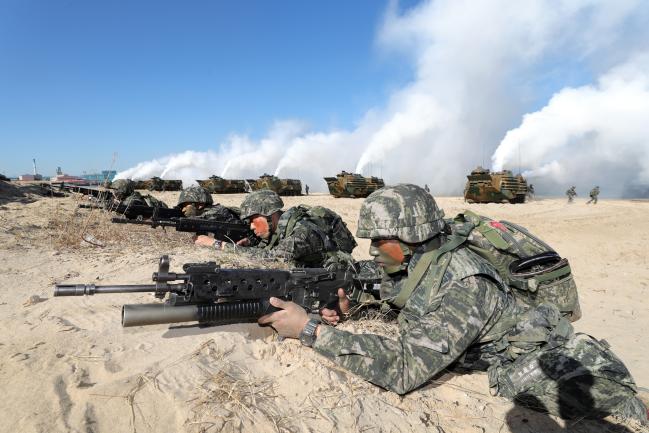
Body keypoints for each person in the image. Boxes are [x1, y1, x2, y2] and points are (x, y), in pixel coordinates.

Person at [258, 184, 647, 424]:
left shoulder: (465, 281)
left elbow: (406, 369)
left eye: (380, 240)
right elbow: (393, 294)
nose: (373, 250)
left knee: (623, 413)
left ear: (412, 238)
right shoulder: (420, 260)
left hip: (548, 369)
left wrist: (310, 330)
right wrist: (353, 305)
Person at [195, 190, 354, 268]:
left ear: (270, 215)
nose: (251, 225)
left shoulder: (302, 232)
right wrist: (251, 242)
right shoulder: (285, 225)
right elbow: (274, 242)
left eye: (252, 219)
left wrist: (218, 245)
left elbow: (272, 258)